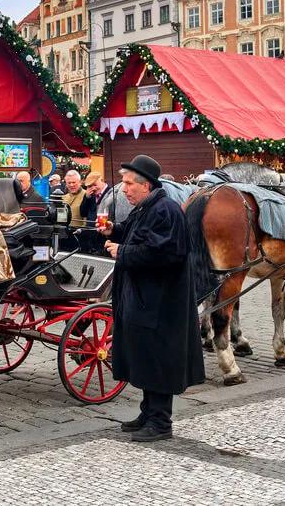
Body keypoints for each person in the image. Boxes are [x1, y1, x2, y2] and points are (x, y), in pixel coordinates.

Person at [99, 155, 204, 442]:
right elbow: (139, 236)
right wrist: (114, 231)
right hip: (144, 298)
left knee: (158, 359)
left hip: (162, 303)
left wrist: (123, 252)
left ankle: (160, 422)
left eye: (129, 183)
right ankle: (148, 412)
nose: (124, 189)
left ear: (146, 185)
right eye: (124, 182)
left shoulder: (165, 210)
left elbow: (165, 253)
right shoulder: (146, 207)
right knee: (145, 356)